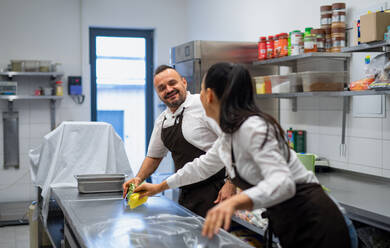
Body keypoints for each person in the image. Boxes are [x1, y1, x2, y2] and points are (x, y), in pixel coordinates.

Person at [134, 62, 351, 248]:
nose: (199, 96)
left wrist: (233, 202)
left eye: (201, 89)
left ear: (209, 95)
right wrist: (159, 187)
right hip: (291, 221)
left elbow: (283, 183)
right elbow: (201, 166)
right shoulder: (230, 134)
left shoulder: (253, 127)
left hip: (315, 220)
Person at [122, 65, 236, 217]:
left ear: (184, 82)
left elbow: (232, 142)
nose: (168, 90)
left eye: (172, 83)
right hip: (187, 191)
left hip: (216, 191)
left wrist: (231, 183)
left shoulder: (204, 105)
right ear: (158, 94)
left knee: (214, 239)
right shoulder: (162, 120)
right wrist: (138, 178)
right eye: (162, 88)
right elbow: (154, 156)